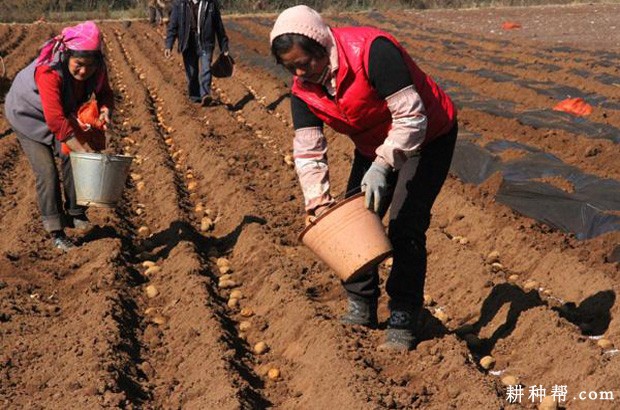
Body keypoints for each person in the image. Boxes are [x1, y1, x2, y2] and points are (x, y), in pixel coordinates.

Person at [270, 6, 458, 351]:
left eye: (305, 63)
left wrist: (384, 163)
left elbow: (411, 117)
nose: (300, 72)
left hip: (428, 137)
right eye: (291, 67)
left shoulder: (372, 51)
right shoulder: (303, 90)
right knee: (353, 220)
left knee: (406, 224)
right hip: (373, 144)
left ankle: (403, 313)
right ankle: (361, 303)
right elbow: (309, 151)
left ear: (320, 45)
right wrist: (317, 200)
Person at [4, 21, 114, 252]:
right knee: (47, 172)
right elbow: (56, 122)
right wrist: (82, 149)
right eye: (79, 65)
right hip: (27, 114)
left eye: (89, 66)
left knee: (72, 158)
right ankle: (56, 230)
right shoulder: (49, 71)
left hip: (59, 114)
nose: (84, 71)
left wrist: (105, 109)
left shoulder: (97, 69)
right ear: (66, 57)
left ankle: (75, 212)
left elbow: (104, 93)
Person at [164, 0, 230, 106]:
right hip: (188, 43)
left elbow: (219, 26)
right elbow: (173, 26)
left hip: (205, 42)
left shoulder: (210, 4)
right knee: (192, 72)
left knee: (206, 69)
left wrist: (224, 45)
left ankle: (205, 95)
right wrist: (168, 45)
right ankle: (195, 97)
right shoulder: (180, 4)